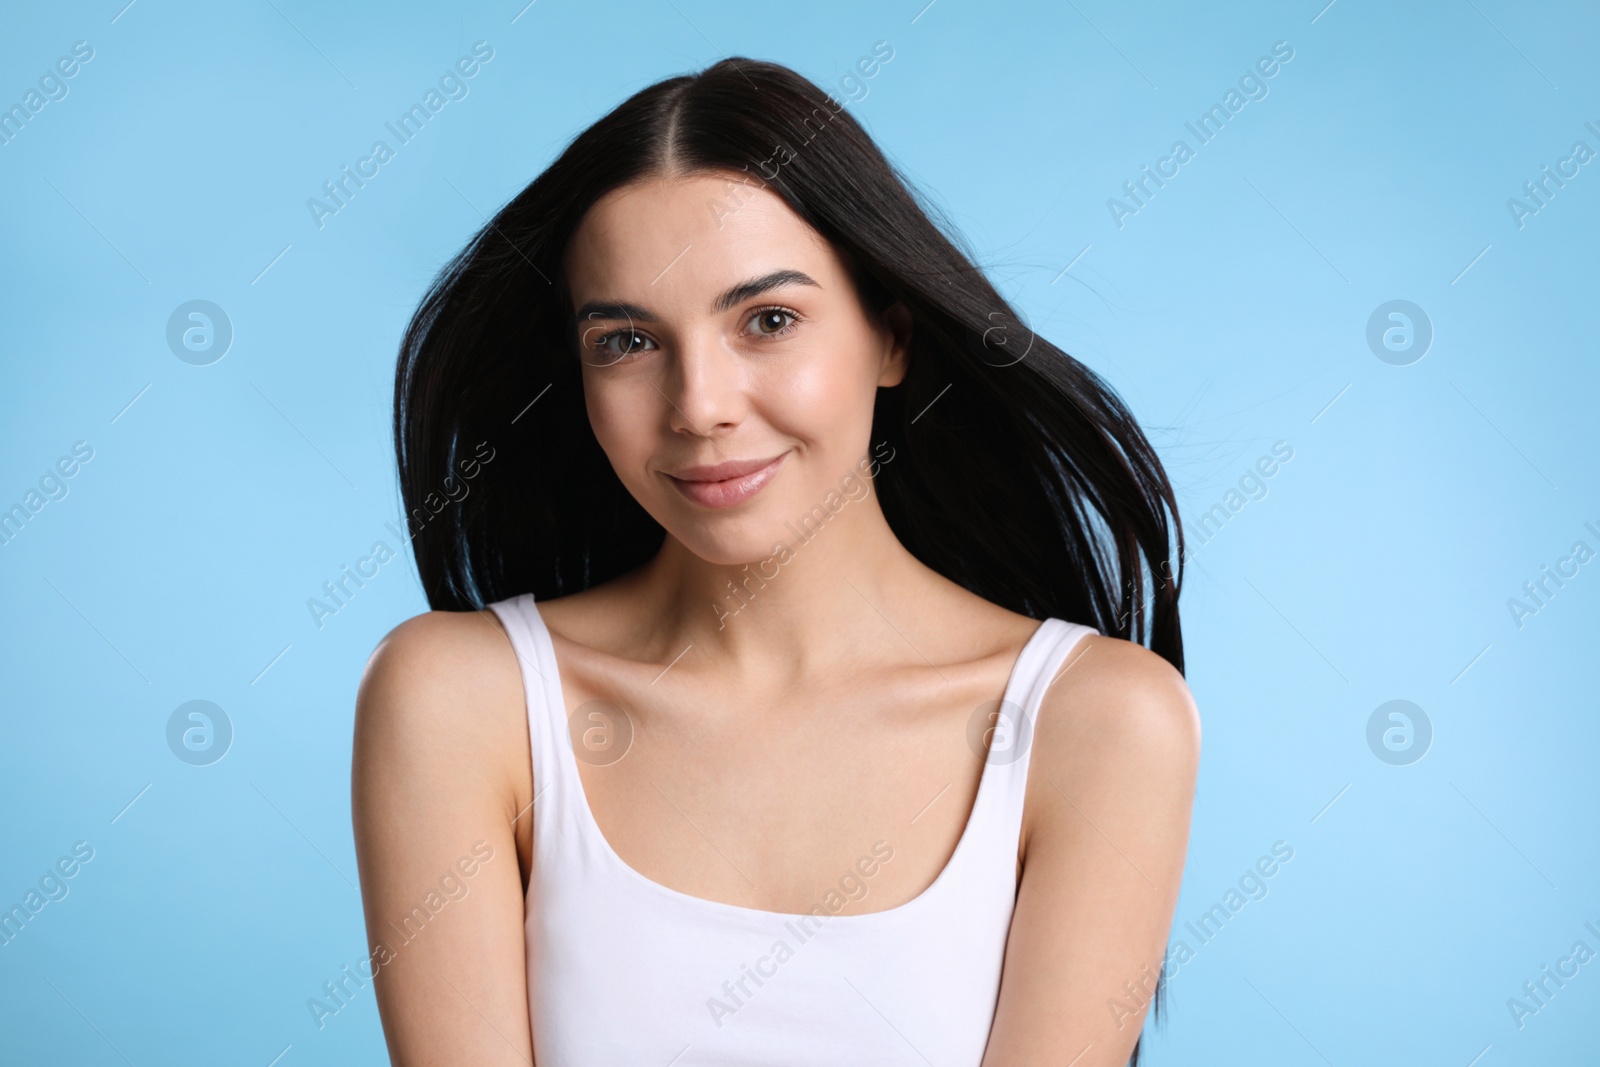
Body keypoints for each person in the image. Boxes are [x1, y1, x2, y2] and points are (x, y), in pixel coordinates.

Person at [352, 56, 1199, 1066]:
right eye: (626, 341)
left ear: (891, 336)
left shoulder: (1098, 723)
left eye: (767, 320)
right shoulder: (459, 701)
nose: (699, 404)